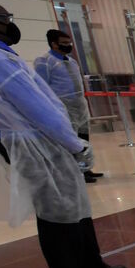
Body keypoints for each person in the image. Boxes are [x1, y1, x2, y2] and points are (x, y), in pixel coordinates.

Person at [0, 0, 124, 268]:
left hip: (31, 138)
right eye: (5, 17)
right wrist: (75, 144)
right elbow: (39, 108)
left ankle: (91, 266)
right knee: (58, 215)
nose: (9, 23)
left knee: (75, 206)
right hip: (35, 141)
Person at [33, 30, 102, 182]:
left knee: (83, 138)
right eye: (64, 43)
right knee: (70, 140)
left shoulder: (72, 62)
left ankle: (85, 168)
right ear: (53, 44)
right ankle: (75, 172)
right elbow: (41, 86)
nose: (68, 46)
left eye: (69, 42)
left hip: (79, 106)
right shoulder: (44, 61)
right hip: (63, 107)